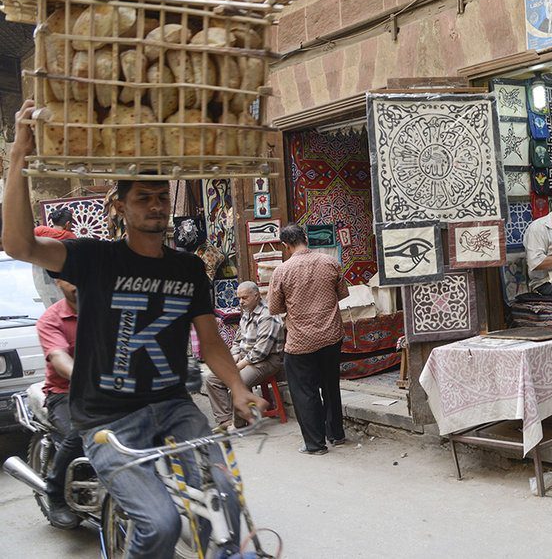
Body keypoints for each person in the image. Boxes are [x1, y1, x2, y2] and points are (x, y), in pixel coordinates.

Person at [1, 100, 266, 558]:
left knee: (223, 499)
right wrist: (19, 158)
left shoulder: (188, 270)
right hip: (107, 418)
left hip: (173, 406)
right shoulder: (95, 258)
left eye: (162, 196)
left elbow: (212, 341)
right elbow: (19, 243)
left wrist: (237, 388)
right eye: (143, 197)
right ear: (120, 206)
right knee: (160, 523)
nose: (156, 205)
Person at [268, 224, 350, 455]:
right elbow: (342, 294)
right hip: (331, 335)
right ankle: (336, 434)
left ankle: (315, 444)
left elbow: (274, 308)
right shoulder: (330, 262)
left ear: (286, 245)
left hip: (301, 340)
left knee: (305, 391)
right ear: (306, 238)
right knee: (330, 385)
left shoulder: (282, 271)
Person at [35, 278, 83, 529]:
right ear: (57, 281)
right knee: (80, 432)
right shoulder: (51, 319)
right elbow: (58, 357)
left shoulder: (107, 311)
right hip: (63, 392)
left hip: (107, 391)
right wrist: (85, 378)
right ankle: (54, 493)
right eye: (70, 277)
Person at [205, 281, 284, 430]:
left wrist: (238, 366)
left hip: (267, 360)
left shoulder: (267, 315)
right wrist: (234, 356)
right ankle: (225, 421)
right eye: (239, 298)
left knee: (238, 382)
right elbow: (237, 341)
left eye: (245, 298)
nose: (241, 302)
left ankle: (239, 425)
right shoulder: (247, 313)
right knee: (212, 379)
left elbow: (261, 352)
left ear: (256, 296)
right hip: (246, 358)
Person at [32, 207, 76, 307]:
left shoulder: (40, 230)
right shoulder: (70, 237)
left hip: (40, 278)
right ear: (67, 224)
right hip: (61, 278)